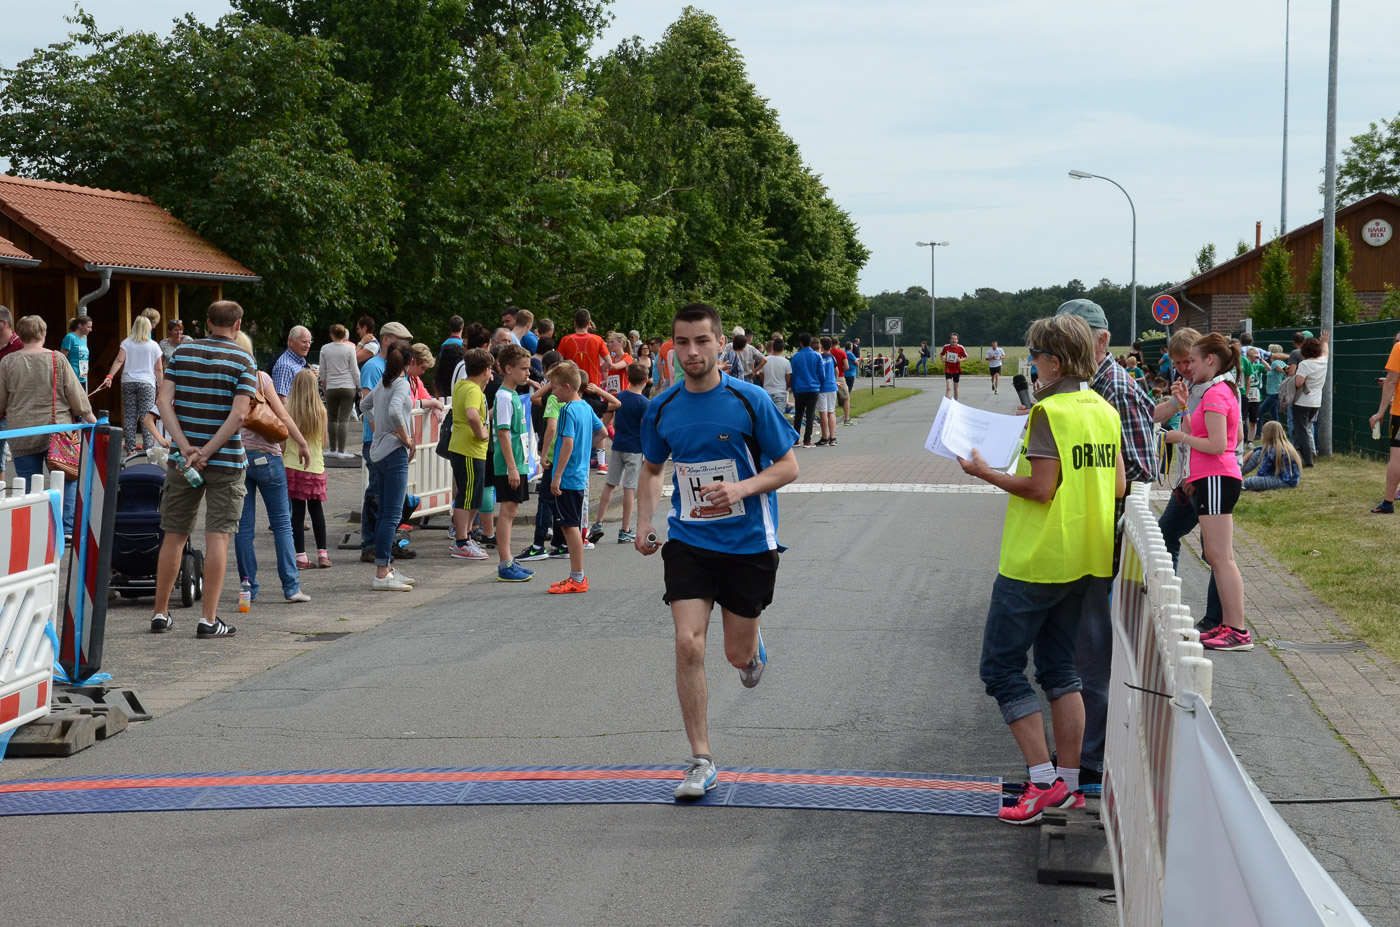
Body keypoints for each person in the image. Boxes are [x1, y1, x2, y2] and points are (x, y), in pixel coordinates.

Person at [957, 313, 1125, 824]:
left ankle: (1043, 781)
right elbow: (1119, 485)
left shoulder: (1048, 412)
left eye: (1034, 356)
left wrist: (984, 471)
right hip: (1084, 558)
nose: (1031, 365)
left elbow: (1041, 488)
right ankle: (1069, 784)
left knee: (1000, 669)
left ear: (1052, 361)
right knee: (1060, 671)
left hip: (1036, 559)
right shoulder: (1103, 409)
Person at [635, 302, 800, 801]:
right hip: (689, 540)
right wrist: (643, 522)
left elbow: (788, 466)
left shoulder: (749, 400)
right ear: (672, 347)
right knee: (688, 643)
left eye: (702, 341)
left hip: (748, 543)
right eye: (682, 342)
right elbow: (652, 469)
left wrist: (740, 489)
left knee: (735, 655)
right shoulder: (662, 406)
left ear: (720, 344)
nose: (692, 351)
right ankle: (701, 759)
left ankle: (752, 648)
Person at [1053, 299, 1158, 794]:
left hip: (1102, 536)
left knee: (1090, 649)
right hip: (1084, 532)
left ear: (1100, 340)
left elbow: (1140, 469)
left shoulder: (1112, 387)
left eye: (1071, 337)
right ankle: (1082, 754)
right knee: (1078, 646)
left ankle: (1089, 761)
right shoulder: (1089, 385)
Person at [149, 300, 259, 637]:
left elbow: (162, 402)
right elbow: (239, 415)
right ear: (238, 325)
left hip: (183, 461)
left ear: (208, 323)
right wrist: (208, 451)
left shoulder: (181, 353)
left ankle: (160, 613)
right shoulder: (244, 360)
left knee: (174, 534)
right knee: (218, 537)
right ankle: (208, 619)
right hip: (225, 462)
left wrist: (185, 447)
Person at [1164, 333, 1251, 652]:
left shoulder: (1215, 393)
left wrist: (1181, 438)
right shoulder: (1219, 391)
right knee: (1218, 555)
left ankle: (1236, 629)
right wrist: (1184, 410)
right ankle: (1229, 625)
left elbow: (1218, 445)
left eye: (1194, 360)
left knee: (1219, 556)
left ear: (1210, 360)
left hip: (1216, 478)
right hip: (1211, 478)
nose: (1189, 367)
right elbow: (1232, 435)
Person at [233, 332, 312, 605]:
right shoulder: (260, 378)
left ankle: (248, 588)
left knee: (243, 528)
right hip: (268, 456)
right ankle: (291, 587)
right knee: (282, 524)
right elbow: (283, 415)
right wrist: (302, 443)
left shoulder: (226, 379)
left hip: (238, 458)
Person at [0, 314, 97, 538]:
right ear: (43, 333)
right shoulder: (57, 359)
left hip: (22, 430)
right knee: (66, 477)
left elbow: (1, 401)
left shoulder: (7, 362)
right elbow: (75, 395)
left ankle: (32, 529)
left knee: (26, 481)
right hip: (57, 429)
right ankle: (66, 527)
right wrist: (93, 420)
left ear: (22, 335)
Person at [546, 361, 607, 593]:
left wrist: (556, 476)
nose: (553, 392)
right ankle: (577, 576)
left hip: (568, 476)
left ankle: (578, 577)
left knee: (569, 526)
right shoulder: (585, 407)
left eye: (554, 387)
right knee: (571, 524)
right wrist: (586, 450)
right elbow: (602, 432)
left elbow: (567, 444)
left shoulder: (567, 410)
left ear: (567, 387)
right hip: (580, 474)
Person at [360, 343, 417, 591]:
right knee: (392, 515)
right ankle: (382, 573)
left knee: (385, 513)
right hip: (394, 453)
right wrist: (405, 438)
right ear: (409, 362)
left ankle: (387, 569)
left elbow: (364, 406)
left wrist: (378, 427)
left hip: (379, 452)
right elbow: (395, 411)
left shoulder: (384, 384)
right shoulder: (401, 383)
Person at [489, 344, 536, 582]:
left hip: (518, 461)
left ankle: (508, 560)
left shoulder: (513, 395)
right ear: (508, 369)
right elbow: (503, 433)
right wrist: (512, 467)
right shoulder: (504, 396)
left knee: (512, 510)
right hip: (510, 464)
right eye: (523, 369)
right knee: (507, 512)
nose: (528, 373)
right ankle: (505, 563)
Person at [589, 363, 650, 545]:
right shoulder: (644, 403)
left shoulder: (620, 396)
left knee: (610, 483)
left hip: (618, 445)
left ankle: (598, 522)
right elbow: (645, 429)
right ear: (646, 380)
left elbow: (608, 422)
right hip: (635, 448)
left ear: (628, 378)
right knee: (629, 488)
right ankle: (625, 530)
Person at [280, 367, 333, 569]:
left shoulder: (288, 411)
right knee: (317, 510)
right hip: (315, 467)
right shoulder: (321, 411)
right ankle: (323, 554)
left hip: (292, 465)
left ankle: (301, 556)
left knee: (297, 513)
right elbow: (324, 442)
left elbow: (282, 442)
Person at [446, 348, 492, 561]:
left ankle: (465, 536)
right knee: (467, 495)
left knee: (473, 495)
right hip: (469, 449)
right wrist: (481, 433)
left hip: (463, 448)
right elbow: (472, 415)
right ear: (485, 370)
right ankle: (462, 541)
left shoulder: (462, 385)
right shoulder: (473, 390)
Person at [102, 315, 164, 455]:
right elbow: (158, 369)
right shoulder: (154, 345)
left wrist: (110, 376)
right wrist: (161, 386)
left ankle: (130, 448)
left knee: (130, 415)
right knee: (146, 416)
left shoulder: (126, 342)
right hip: (147, 383)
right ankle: (148, 447)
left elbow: (119, 360)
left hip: (128, 381)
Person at [1368, 333, 1400, 514]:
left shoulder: (1399, 348)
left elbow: (1391, 381)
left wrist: (1380, 412)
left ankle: (1388, 502)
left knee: (1397, 456)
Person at [319, 324, 360, 458]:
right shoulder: (350, 348)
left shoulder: (325, 348)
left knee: (332, 419)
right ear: (344, 335)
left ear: (332, 335)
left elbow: (322, 371)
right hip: (348, 386)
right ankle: (342, 451)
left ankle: (332, 449)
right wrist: (359, 387)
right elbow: (355, 370)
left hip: (332, 386)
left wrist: (325, 388)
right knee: (344, 419)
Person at [1291, 334, 1329, 469]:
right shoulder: (1323, 362)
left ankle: (1308, 461)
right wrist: (1325, 342)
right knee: (1304, 429)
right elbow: (1326, 352)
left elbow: (1298, 383)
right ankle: (1296, 452)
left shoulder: (1304, 364)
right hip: (1316, 402)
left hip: (1302, 402)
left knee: (1302, 431)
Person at [1242, 421, 1302, 492]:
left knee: (1248, 482)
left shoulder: (1272, 450)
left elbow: (1262, 472)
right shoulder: (1284, 445)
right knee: (1259, 453)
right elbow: (1257, 449)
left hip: (1284, 481)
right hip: (1290, 480)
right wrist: (1241, 462)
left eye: (1263, 433)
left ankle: (1238, 479)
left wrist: (1250, 480)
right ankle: (1239, 473)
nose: (1261, 434)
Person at [789, 333, 822, 448]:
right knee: (810, 414)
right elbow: (821, 373)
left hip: (799, 389)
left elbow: (794, 374)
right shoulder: (817, 356)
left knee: (798, 414)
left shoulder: (796, 357)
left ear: (800, 343)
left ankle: (796, 439)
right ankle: (807, 440)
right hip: (813, 388)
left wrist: (793, 387)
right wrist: (820, 384)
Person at [270, 325, 314, 400]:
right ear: (291, 341)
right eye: (304, 342)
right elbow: (281, 400)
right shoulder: (285, 366)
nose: (308, 346)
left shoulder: (300, 362)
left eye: (309, 342)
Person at [1257, 344, 1287, 439]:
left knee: (1260, 411)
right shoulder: (1283, 363)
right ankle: (1278, 434)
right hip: (1276, 392)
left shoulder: (1275, 363)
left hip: (1274, 392)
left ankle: (1258, 433)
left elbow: (1280, 370)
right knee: (1274, 414)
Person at [815, 336, 839, 446]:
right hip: (832, 387)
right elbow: (836, 371)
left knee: (823, 412)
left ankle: (824, 437)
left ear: (821, 345)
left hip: (822, 387)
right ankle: (833, 437)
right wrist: (835, 381)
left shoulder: (819, 357)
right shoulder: (832, 357)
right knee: (831, 412)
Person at [62, 315, 92, 389]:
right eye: (88, 327)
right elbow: (61, 357)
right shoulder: (70, 337)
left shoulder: (83, 339)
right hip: (72, 377)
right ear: (80, 325)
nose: (90, 330)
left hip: (82, 377)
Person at [762, 338, 792, 412]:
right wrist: (786, 387)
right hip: (780, 391)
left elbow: (761, 375)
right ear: (783, 349)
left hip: (767, 391)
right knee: (778, 415)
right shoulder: (786, 362)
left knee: (768, 414)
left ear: (773, 348)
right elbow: (788, 379)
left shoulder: (765, 360)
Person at [941, 333, 968, 400]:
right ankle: (947, 403)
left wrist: (960, 360)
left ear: (957, 340)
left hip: (956, 370)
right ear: (950, 340)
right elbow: (941, 354)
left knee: (956, 388)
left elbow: (966, 357)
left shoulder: (960, 348)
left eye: (955, 339)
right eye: (952, 339)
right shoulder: (946, 347)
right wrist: (942, 359)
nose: (954, 340)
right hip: (948, 369)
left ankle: (955, 402)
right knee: (949, 387)